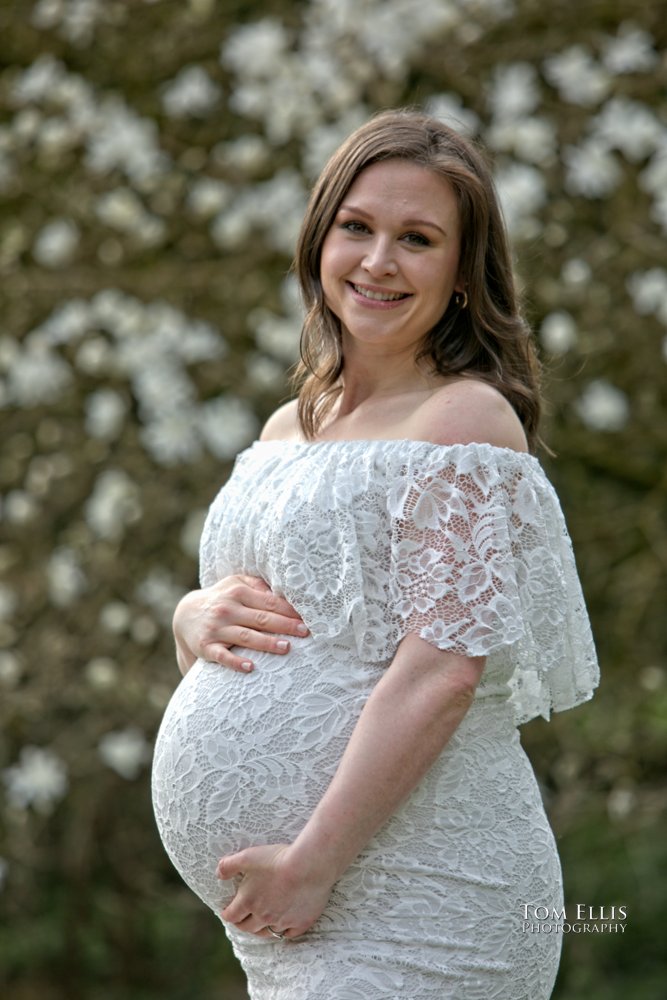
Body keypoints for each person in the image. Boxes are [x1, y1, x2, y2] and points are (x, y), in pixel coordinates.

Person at [152, 109, 599, 1000]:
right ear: (319, 239)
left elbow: (442, 672)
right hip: (288, 915)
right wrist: (189, 616)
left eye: (418, 238)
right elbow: (262, 639)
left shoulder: (463, 421)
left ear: (463, 274)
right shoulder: (288, 428)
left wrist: (314, 861)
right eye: (356, 227)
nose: (378, 261)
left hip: (419, 896)